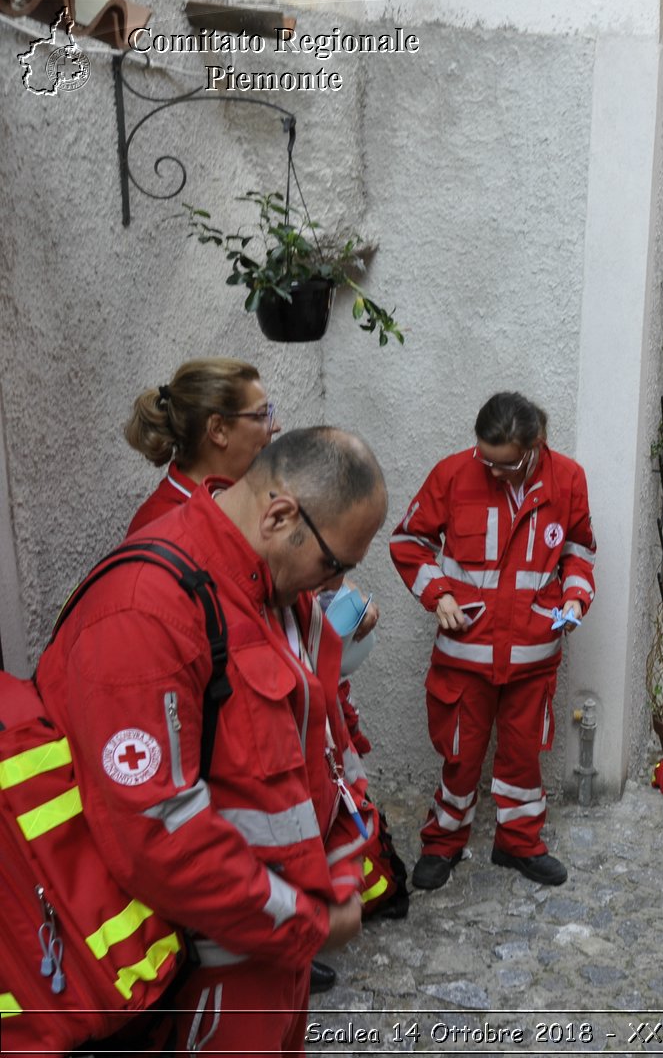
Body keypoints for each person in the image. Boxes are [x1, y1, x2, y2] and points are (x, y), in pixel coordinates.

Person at [34, 427, 388, 1054]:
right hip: (205, 977)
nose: (330, 585)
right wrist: (308, 923)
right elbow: (159, 836)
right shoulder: (146, 610)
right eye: (333, 564)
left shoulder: (280, 590)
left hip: (271, 957)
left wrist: (342, 865)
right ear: (280, 515)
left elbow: (328, 743)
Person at [390, 391, 596, 891]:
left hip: (534, 657)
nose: (493, 470)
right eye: (485, 458)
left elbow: (578, 549)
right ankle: (444, 842)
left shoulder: (567, 478)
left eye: (504, 464)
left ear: (535, 447)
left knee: (523, 756)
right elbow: (409, 543)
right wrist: (437, 594)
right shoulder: (453, 474)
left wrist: (574, 598)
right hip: (465, 656)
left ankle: (518, 843)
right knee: (459, 758)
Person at [123, 358, 281, 535]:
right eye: (261, 415)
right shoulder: (161, 527)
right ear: (218, 429)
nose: (276, 426)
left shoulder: (245, 495)